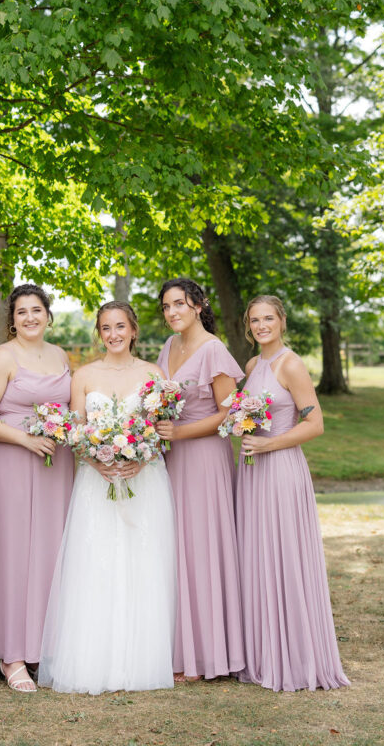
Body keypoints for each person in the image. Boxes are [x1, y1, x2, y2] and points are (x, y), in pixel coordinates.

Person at [38, 301, 176, 695]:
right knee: (95, 564)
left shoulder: (153, 374)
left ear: (133, 330)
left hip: (143, 479)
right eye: (105, 328)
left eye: (120, 327)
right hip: (95, 482)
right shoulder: (83, 375)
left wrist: (143, 456)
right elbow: (76, 432)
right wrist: (96, 460)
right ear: (99, 333)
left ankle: (140, 659)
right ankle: (92, 659)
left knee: (142, 561)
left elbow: (160, 429)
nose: (113, 334)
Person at [236, 295, 350, 692]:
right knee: (257, 555)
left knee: (283, 554)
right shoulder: (252, 366)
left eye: (269, 318)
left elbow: (315, 424)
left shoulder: (291, 364)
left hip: (281, 469)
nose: (262, 325)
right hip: (251, 471)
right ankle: (263, 651)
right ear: (247, 326)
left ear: (282, 321)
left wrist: (270, 444)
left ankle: (295, 655)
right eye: (255, 320)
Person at [0, 284, 72, 693]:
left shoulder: (60, 356)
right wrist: (26, 440)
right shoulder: (1, 357)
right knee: (14, 554)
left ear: (48, 315)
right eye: (21, 312)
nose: (30, 318)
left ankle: (41, 646)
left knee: (51, 552)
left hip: (57, 467)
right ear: (11, 319)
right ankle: (11, 655)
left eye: (37, 310)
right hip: (13, 464)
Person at [156, 278, 245, 682]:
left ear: (198, 305)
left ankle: (207, 656)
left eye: (179, 304)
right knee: (176, 549)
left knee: (202, 548)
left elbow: (230, 413)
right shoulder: (168, 348)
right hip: (170, 459)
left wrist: (181, 433)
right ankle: (178, 649)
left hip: (205, 457)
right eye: (166, 307)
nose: (173, 312)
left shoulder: (214, 349)